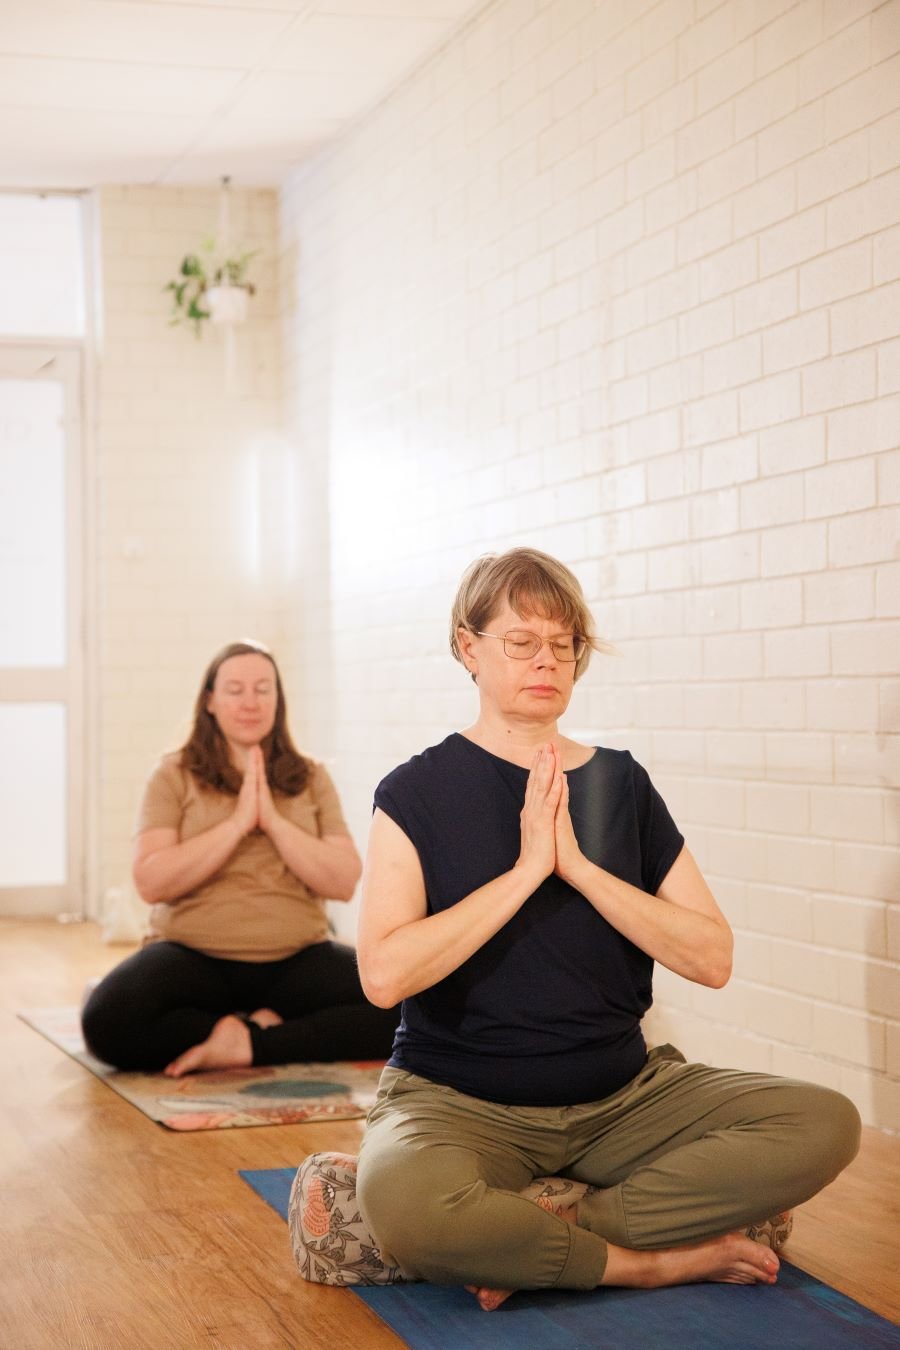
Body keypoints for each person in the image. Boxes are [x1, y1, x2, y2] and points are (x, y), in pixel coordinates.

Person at [354, 547, 861, 1310]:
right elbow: (384, 975)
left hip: (624, 1096)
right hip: (458, 1099)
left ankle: (554, 1233)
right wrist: (526, 872)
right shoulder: (415, 791)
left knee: (827, 1123)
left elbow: (711, 956)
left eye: (565, 644)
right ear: (468, 646)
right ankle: (648, 1262)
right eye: (521, 641)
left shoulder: (621, 783)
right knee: (403, 1204)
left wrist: (583, 870)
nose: (546, 660)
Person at [82, 640, 398, 1076]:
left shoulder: (310, 777)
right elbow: (152, 881)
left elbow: (343, 880)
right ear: (210, 701)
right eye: (235, 690)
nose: (250, 702)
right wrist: (235, 825)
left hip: (296, 957)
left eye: (262, 689)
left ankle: (246, 1044)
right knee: (108, 1021)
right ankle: (263, 1030)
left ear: (277, 699)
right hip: (193, 957)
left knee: (405, 1009)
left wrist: (272, 821)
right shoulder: (173, 774)